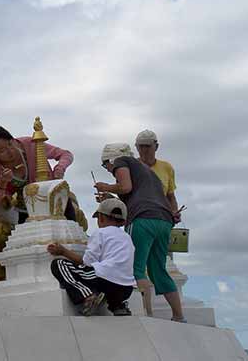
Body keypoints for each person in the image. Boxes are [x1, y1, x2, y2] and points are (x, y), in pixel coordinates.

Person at [94, 142, 185, 322]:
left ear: (110, 159)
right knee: (158, 270)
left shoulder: (120, 161)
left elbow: (125, 187)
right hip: (163, 220)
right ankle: (179, 316)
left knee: (135, 268)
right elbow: (136, 195)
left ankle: (145, 315)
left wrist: (106, 187)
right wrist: (111, 197)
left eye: (106, 165)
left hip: (142, 219)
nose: (109, 170)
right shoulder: (145, 170)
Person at [0, 123, 75, 223]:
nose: (10, 151)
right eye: (2, 151)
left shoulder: (30, 144)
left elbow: (66, 154)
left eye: (10, 144)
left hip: (57, 203)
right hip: (28, 213)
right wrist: (2, 182)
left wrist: (60, 169)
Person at [48, 197, 135, 316]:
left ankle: (87, 295)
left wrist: (63, 251)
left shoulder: (100, 233)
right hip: (126, 288)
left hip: (104, 280)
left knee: (59, 264)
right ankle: (118, 306)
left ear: (101, 218)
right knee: (107, 277)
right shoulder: (127, 238)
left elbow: (87, 262)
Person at [135, 129, 181, 223]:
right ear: (136, 147)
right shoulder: (131, 166)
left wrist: (174, 212)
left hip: (162, 219)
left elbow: (170, 196)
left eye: (147, 146)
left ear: (156, 147)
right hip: (138, 218)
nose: (144, 150)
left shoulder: (166, 167)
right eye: (141, 146)